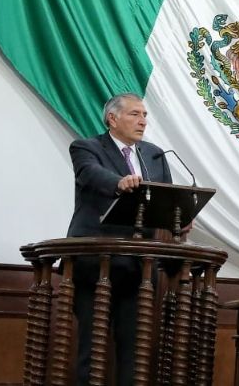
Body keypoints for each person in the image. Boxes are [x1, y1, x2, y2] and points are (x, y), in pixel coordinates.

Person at [68, 93, 172, 386]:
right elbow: (91, 175)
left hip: (140, 268)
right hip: (95, 263)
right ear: (112, 119)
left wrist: (180, 215)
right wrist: (119, 182)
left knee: (134, 350)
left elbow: (166, 198)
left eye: (145, 115)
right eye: (135, 114)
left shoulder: (154, 154)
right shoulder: (86, 147)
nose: (143, 121)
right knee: (93, 345)